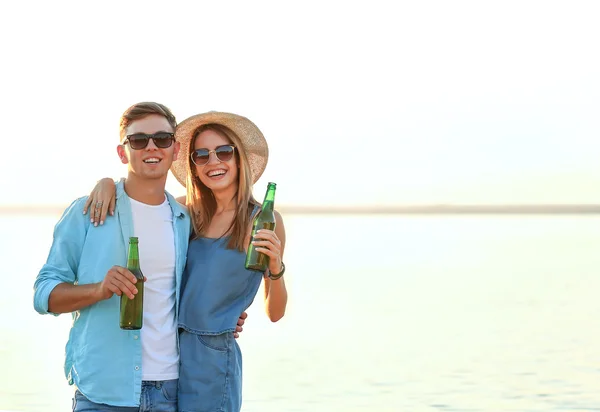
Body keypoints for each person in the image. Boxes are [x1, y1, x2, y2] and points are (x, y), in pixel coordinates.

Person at [33, 102, 246, 412]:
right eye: (138, 140)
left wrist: (227, 312)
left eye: (162, 139)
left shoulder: (186, 221)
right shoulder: (88, 213)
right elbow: (44, 294)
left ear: (174, 150)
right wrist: (99, 290)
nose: (151, 147)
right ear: (123, 152)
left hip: (172, 391)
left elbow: (200, 286)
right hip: (103, 392)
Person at [86, 111, 288, 412]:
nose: (213, 162)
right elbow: (138, 202)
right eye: (202, 155)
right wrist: (106, 183)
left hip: (213, 360)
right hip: (168, 355)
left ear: (238, 159)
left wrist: (276, 268)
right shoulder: (183, 212)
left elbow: (275, 313)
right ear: (192, 164)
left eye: (223, 152)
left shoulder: (260, 221)